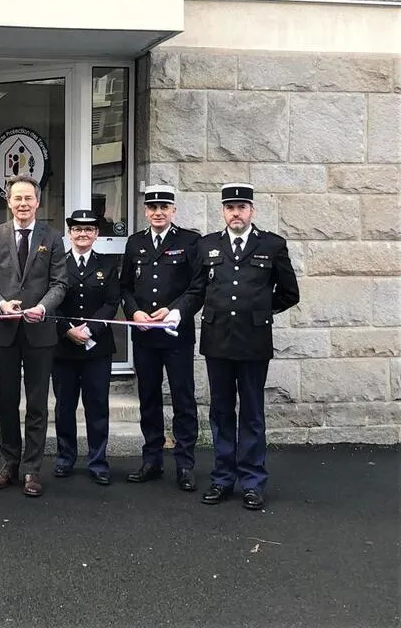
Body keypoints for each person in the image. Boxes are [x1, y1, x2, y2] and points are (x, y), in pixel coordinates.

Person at [169, 183, 299, 510]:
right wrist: (176, 312)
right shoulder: (207, 245)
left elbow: (289, 293)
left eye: (241, 207)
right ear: (223, 211)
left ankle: (253, 482)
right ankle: (223, 479)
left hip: (254, 342)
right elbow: (197, 290)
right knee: (221, 412)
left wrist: (260, 311)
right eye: (230, 207)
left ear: (252, 210)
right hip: (217, 342)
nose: (236, 213)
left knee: (252, 413)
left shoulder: (272, 244)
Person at [0, 174, 68, 497]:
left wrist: (42, 307)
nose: (23, 204)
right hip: (5, 331)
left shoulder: (53, 238)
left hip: (39, 332)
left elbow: (60, 283)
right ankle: (9, 463)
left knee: (37, 404)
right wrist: (1, 305)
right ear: (9, 201)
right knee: (6, 401)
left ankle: (32, 469)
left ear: (37, 202)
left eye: (28, 198)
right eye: (17, 198)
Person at [120, 185, 201, 492]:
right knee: (149, 399)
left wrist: (175, 310)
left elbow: (197, 288)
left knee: (183, 399)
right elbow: (125, 286)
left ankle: (185, 464)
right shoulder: (135, 242)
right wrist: (134, 312)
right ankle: (151, 460)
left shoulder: (189, 241)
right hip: (145, 337)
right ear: (145, 211)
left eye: (164, 207)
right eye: (152, 207)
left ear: (173, 211)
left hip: (176, 335)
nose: (158, 212)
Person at [51, 210, 120, 486]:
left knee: (97, 406)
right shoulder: (57, 264)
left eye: (88, 229)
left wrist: (89, 330)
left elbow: (111, 303)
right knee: (64, 407)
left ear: (96, 234)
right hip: (63, 349)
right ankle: (65, 458)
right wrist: (67, 330)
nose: (83, 234)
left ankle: (98, 462)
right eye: (77, 229)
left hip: (97, 349)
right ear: (69, 234)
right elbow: (50, 302)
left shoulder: (108, 264)